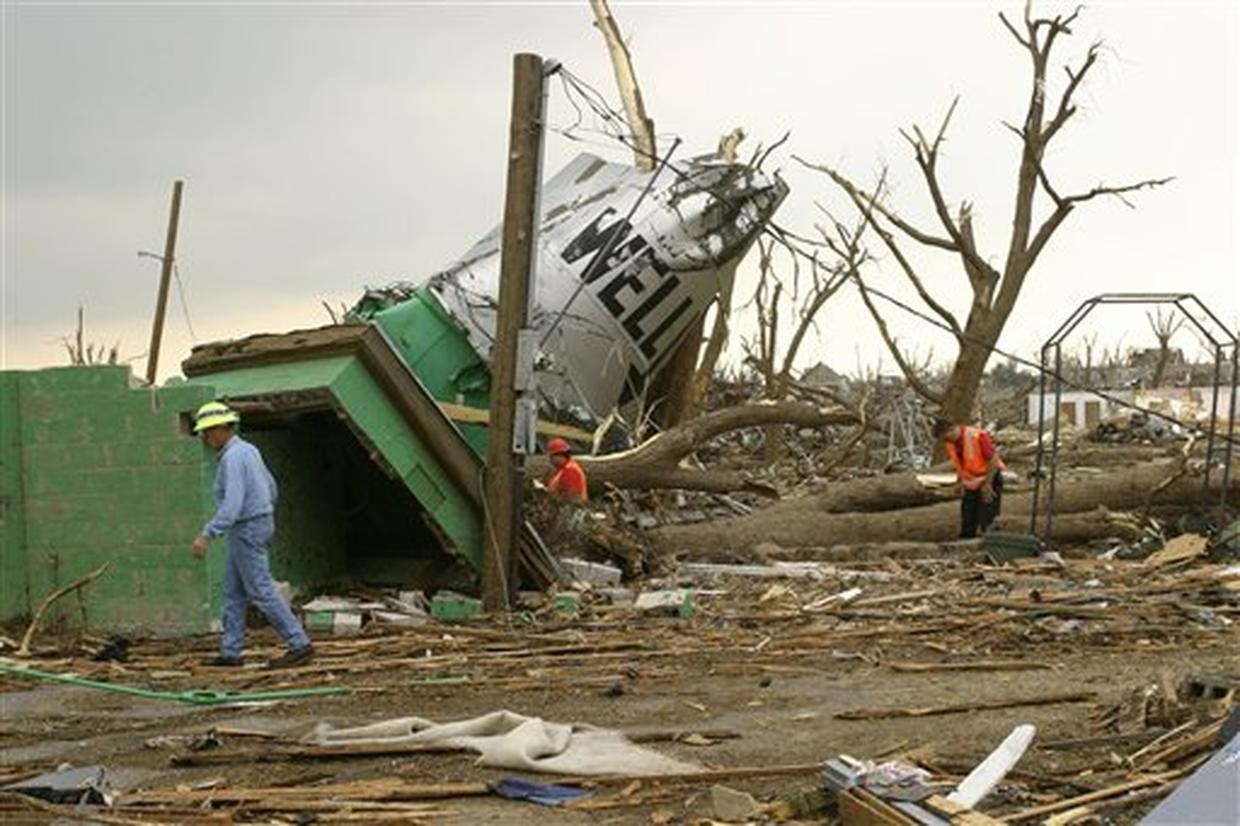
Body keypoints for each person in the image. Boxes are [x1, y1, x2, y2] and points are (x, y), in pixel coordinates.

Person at [190, 401, 314, 669]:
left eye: (209, 431)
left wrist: (207, 534)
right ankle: (231, 652)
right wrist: (263, 513)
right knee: (233, 592)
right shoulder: (248, 451)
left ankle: (299, 644)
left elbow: (232, 505)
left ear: (223, 428)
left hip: (246, 526)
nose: (206, 437)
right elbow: (271, 487)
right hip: (254, 524)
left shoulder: (233, 458)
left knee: (260, 589)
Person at [933, 418, 1006, 539]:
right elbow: (960, 464)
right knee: (968, 517)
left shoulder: (976, 436)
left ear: (952, 429)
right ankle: (966, 542)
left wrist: (988, 484)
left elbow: (993, 459)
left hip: (989, 478)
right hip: (971, 483)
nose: (946, 441)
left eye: (946, 437)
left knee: (987, 517)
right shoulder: (951, 443)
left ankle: (990, 542)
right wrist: (959, 481)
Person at [544, 437, 588, 503]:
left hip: (571, 511)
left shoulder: (571, 470)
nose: (550, 460)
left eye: (551, 456)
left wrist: (554, 498)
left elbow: (573, 497)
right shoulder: (561, 470)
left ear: (559, 455)